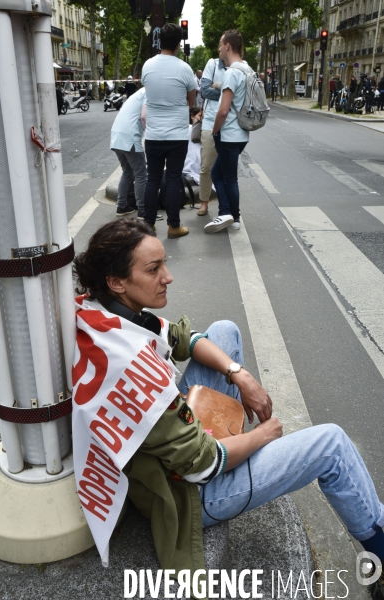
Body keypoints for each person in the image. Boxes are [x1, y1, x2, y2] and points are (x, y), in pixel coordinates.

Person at [72, 218, 384, 597]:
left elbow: (185, 338)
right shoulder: (133, 369)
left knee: (223, 331)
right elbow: (205, 464)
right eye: (154, 270)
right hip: (186, 496)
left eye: (164, 264)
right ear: (117, 281)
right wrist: (261, 436)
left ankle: (237, 437)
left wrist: (240, 375)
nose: (168, 277)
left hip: (166, 447)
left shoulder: (107, 311)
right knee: (332, 445)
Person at [141, 23, 196, 239]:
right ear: (179, 43)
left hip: (154, 134)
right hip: (177, 135)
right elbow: (192, 102)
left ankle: (148, 225)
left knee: (152, 179)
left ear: (158, 41)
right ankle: (174, 226)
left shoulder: (147, 66)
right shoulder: (184, 68)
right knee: (173, 179)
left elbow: (149, 94)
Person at [204, 30, 251, 234]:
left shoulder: (232, 72)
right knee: (218, 173)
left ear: (228, 46)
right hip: (242, 133)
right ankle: (228, 213)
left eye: (221, 45)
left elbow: (223, 110)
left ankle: (233, 216)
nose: (219, 49)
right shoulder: (248, 69)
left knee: (228, 177)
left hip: (229, 133)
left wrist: (215, 130)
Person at [110, 88, 161, 220]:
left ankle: (122, 206)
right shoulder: (149, 92)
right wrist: (151, 132)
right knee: (141, 175)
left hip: (116, 136)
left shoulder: (138, 93)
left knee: (127, 172)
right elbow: (144, 116)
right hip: (130, 138)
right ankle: (143, 210)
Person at [196, 55, 227, 217]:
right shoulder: (212, 64)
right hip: (209, 123)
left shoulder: (242, 66)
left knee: (228, 169)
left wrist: (220, 86)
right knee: (206, 166)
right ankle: (204, 202)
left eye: (221, 44)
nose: (219, 48)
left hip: (231, 125)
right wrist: (228, 91)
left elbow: (242, 93)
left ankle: (226, 207)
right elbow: (205, 91)